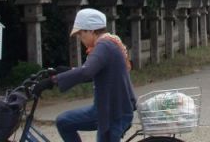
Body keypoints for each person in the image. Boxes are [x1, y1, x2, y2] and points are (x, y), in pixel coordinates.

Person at [34, 8, 137, 142]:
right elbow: (90, 73)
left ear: (91, 31)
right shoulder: (108, 43)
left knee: (64, 122)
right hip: (110, 108)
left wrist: (52, 81)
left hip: (113, 112)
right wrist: (64, 71)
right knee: (64, 121)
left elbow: (86, 71)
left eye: (81, 33)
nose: (80, 38)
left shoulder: (104, 46)